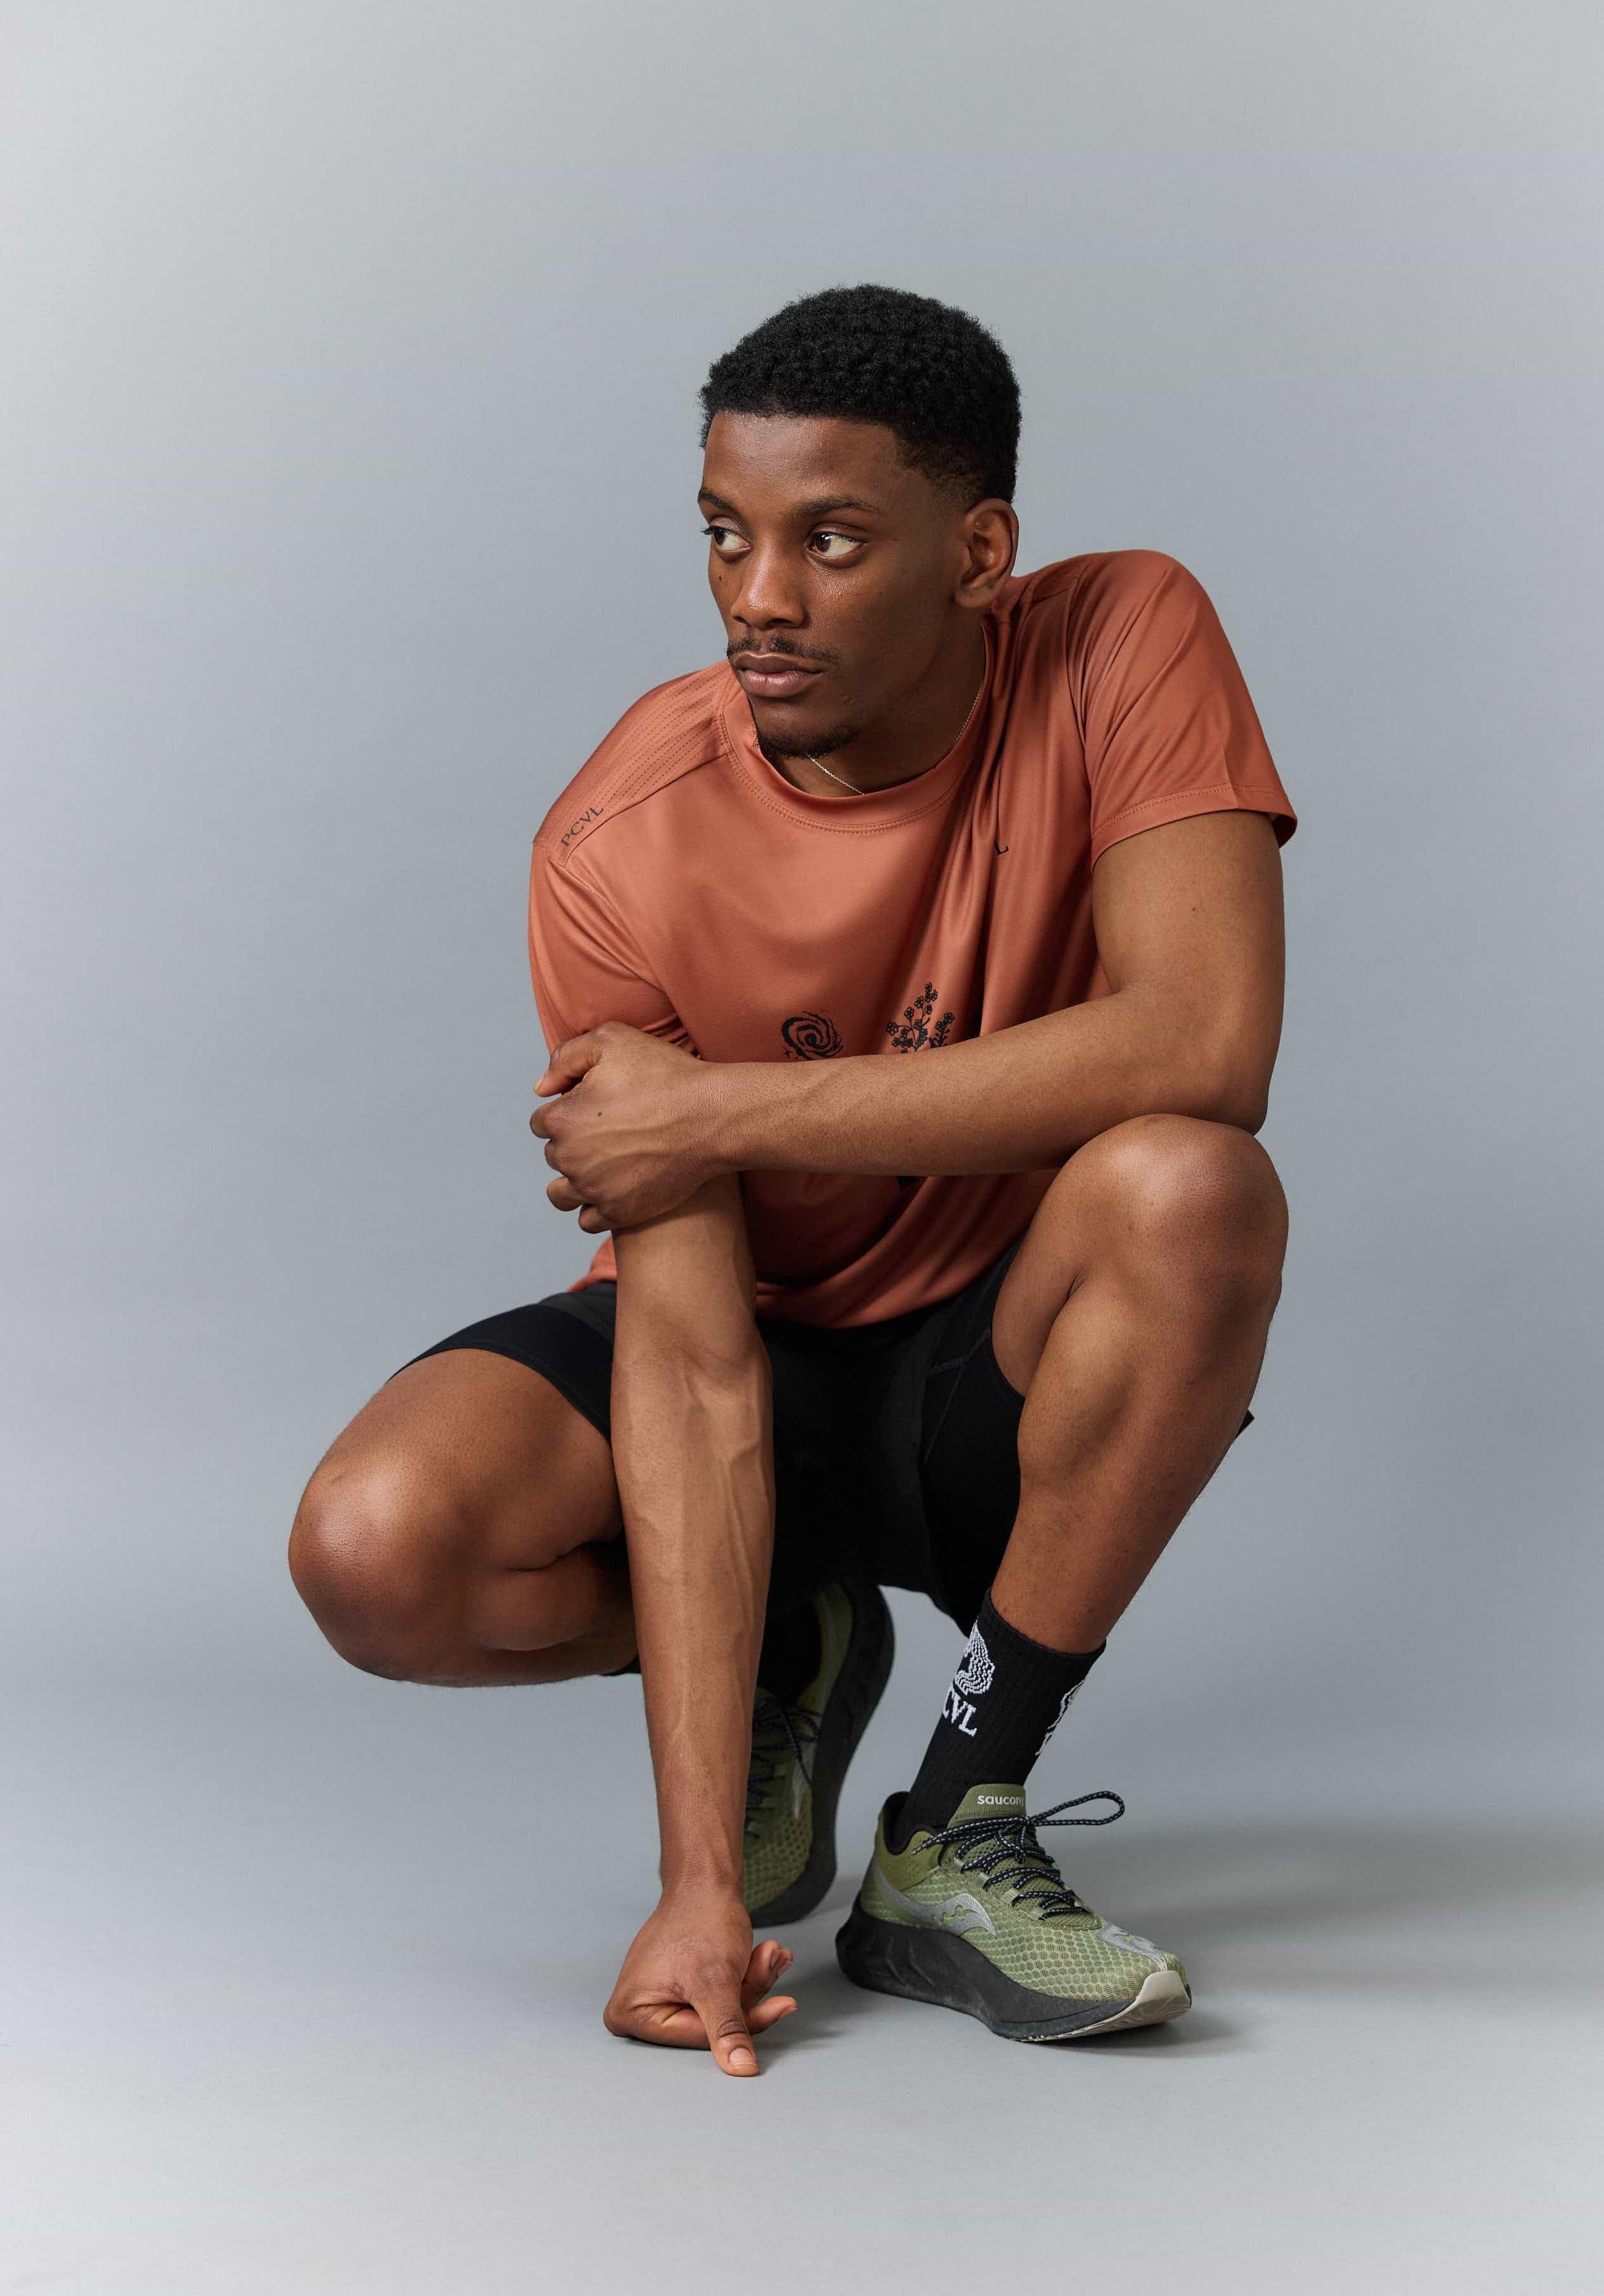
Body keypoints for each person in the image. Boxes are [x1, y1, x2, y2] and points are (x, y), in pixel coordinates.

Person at [289, 284, 1295, 2075]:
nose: (761, 596)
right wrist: (693, 1889)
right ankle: (787, 1640)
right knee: (379, 1548)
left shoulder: (1126, 633)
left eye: (833, 541)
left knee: (1195, 1186)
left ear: (978, 551)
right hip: (744, 1328)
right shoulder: (617, 843)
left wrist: (717, 1111)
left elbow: (1205, 1040)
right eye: (727, 536)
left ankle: (949, 1840)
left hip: (1001, 1363)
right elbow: (685, 1356)